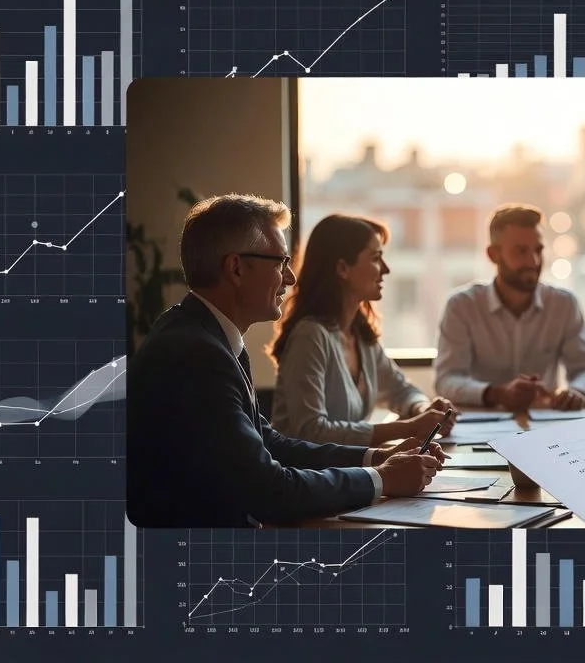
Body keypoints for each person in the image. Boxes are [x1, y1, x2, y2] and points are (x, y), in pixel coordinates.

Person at [126, 194, 444, 528]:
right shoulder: (197, 354)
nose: (290, 278)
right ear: (236, 268)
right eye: (280, 263)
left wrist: (376, 458)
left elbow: (269, 442)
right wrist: (380, 478)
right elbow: (268, 491)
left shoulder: (208, 335)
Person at [269, 214, 456, 446]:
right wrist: (408, 427)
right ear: (343, 268)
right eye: (376, 258)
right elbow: (311, 430)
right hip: (307, 477)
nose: (385, 269)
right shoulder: (310, 336)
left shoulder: (360, 335)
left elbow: (401, 390)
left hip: (347, 472)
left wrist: (423, 408)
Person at [434, 204, 585, 411]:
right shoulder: (461, 306)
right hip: (482, 424)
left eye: (538, 250)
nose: (533, 261)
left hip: (545, 424)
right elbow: (446, 379)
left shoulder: (563, 304)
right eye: (521, 251)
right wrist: (497, 394)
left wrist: (577, 391)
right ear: (493, 255)